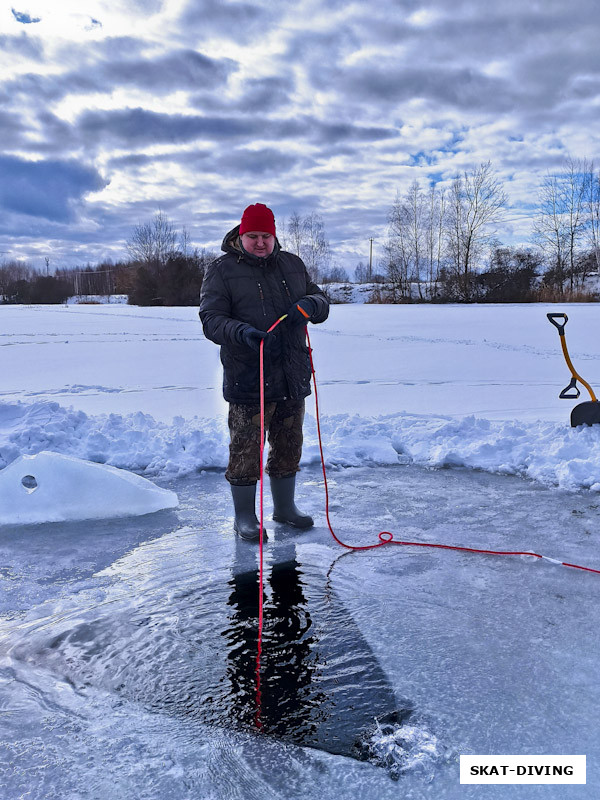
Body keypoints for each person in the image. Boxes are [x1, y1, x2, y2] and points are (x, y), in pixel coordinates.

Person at [199, 203, 330, 542]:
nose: (260, 242)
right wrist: (241, 332)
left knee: (289, 446)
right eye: (252, 236)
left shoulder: (293, 264)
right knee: (245, 449)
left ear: (274, 235)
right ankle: (244, 516)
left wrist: (311, 305)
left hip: (291, 373)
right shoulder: (221, 270)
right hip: (249, 375)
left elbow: (320, 298)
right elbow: (211, 320)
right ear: (240, 236)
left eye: (265, 236)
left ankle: (284, 509)